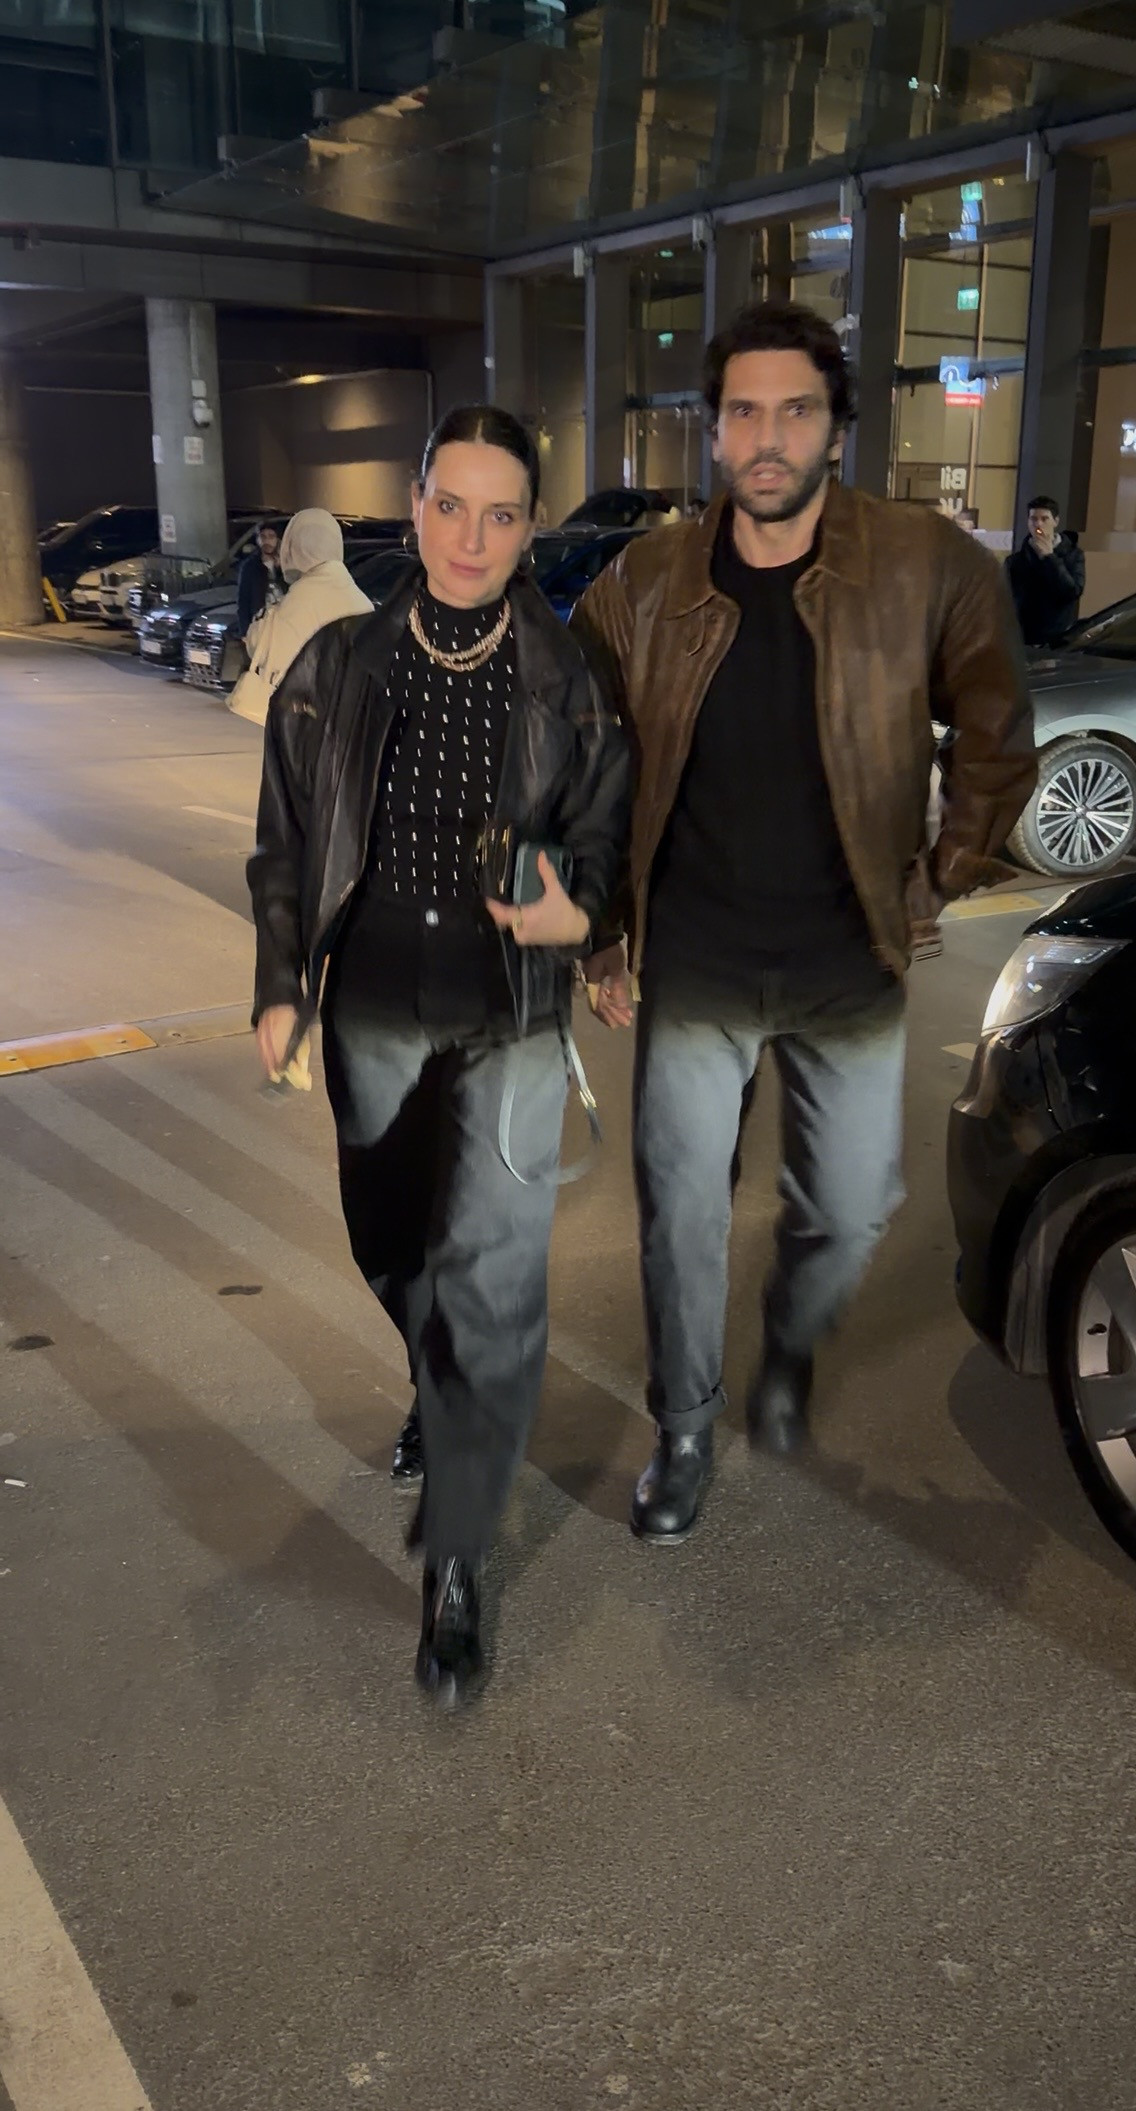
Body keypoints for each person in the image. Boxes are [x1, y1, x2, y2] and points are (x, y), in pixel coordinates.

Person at [573, 299, 1036, 1544]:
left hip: (848, 958)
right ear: (712, 428)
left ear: (837, 425)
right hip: (697, 959)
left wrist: (936, 877)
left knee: (850, 1206)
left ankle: (790, 1335)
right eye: (743, 411)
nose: (767, 437)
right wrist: (603, 924)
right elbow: (579, 746)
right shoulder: (649, 579)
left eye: (794, 410)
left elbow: (997, 732)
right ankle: (684, 1426)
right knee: (680, 1210)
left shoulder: (925, 561)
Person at [247, 406, 629, 1705]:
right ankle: (432, 1369)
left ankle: (456, 1565)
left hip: (506, 1014)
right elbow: (285, 840)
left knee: (489, 1285)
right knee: (388, 1242)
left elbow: (602, 832)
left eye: (501, 513)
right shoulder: (340, 662)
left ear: (529, 526)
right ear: (414, 506)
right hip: (372, 1008)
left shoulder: (566, 674)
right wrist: (280, 982)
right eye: (449, 505)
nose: (471, 537)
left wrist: (582, 909)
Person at [229, 509, 372, 727]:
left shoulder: (298, 601)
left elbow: (263, 648)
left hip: (306, 720)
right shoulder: (359, 599)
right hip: (354, 715)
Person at [1006, 495, 1085, 649]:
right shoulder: (1015, 561)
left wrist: (1049, 558)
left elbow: (1072, 591)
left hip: (1058, 640)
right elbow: (1005, 600)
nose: (1038, 524)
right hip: (1023, 640)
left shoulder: (1073, 555)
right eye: (1033, 519)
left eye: (1044, 519)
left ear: (1056, 521)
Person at [236, 520, 284, 638]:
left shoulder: (286, 565)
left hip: (283, 624)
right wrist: (245, 633)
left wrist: (281, 569)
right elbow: (243, 601)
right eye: (263, 537)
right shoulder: (249, 567)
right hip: (260, 625)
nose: (267, 541)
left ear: (277, 539)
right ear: (257, 539)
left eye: (271, 537)